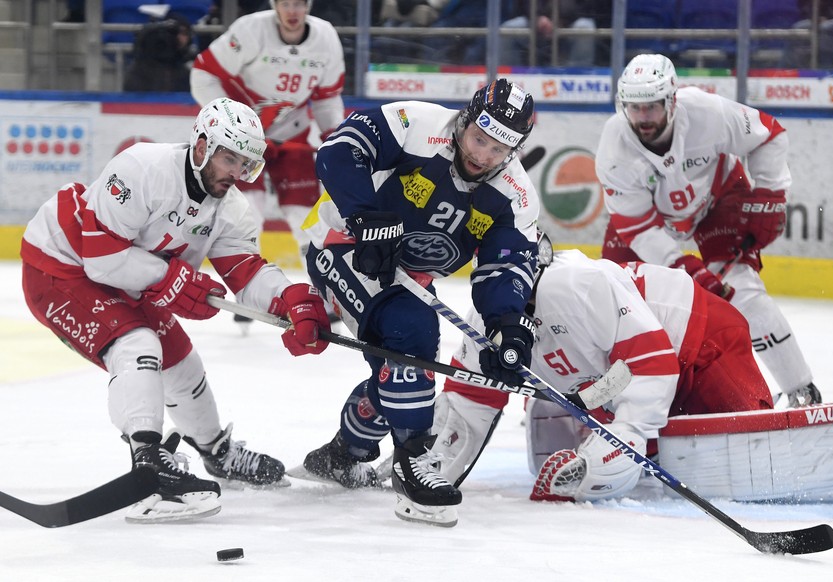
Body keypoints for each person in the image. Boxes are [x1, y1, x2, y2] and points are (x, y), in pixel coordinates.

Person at [19, 98, 330, 523]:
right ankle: (149, 469)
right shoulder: (142, 169)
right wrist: (170, 279)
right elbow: (102, 258)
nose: (237, 173)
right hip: (61, 267)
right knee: (137, 345)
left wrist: (290, 297)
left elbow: (246, 271)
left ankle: (217, 453)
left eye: (247, 164)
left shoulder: (232, 208)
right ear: (201, 146)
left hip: (128, 275)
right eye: (229, 159)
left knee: (182, 364)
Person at [299, 79, 539, 526]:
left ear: (515, 150)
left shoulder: (515, 196)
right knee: (414, 332)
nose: (482, 155)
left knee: (404, 365)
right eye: (478, 139)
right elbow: (337, 151)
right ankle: (411, 460)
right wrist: (366, 216)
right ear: (465, 120)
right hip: (342, 241)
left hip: (406, 276)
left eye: (497, 149)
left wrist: (507, 323)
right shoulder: (415, 124)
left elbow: (505, 268)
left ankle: (342, 453)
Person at [428, 242, 774, 502]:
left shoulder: (578, 286)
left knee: (753, 453)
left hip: (703, 340)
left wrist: (626, 436)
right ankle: (652, 441)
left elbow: (652, 363)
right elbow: (468, 401)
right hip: (626, 374)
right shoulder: (483, 323)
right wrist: (428, 464)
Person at [595, 53, 821, 409]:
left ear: (672, 99)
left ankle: (802, 389)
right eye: (634, 108)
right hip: (650, 224)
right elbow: (637, 226)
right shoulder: (613, 147)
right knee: (613, 299)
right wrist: (680, 264)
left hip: (718, 200)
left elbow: (769, 134)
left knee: (742, 289)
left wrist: (769, 193)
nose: (643, 118)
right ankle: (592, 398)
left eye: (652, 107)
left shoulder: (706, 112)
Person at [190, 0, 346, 257]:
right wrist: (233, 125)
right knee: (247, 207)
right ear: (274, 4)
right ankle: (248, 268)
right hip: (241, 136)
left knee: (304, 210)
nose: (292, 11)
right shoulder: (250, 29)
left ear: (309, 5)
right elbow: (203, 74)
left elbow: (327, 97)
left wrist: (334, 135)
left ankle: (321, 273)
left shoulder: (326, 36)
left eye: (299, 3)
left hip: (291, 129)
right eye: (285, 3)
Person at [500, 1, 598, 67]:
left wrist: (562, 20)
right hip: (535, 22)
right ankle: (507, 85)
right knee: (509, 28)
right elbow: (523, 4)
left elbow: (588, 7)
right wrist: (537, 18)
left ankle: (578, 81)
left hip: (569, 23)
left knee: (585, 26)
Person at [123, 12, 197, 93]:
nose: (178, 37)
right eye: (174, 33)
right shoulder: (140, 68)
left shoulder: (188, 69)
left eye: (184, 33)